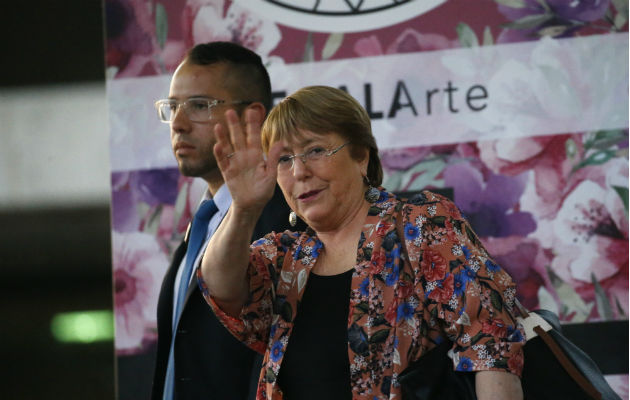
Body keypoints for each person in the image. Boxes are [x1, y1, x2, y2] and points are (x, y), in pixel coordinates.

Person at [198, 85, 526, 399]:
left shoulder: (420, 225)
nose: (299, 171)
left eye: (315, 150)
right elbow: (220, 287)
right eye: (284, 159)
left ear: (361, 156)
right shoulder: (284, 258)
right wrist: (242, 210)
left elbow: (491, 344)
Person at [151, 42, 302, 400]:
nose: (179, 124)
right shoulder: (201, 222)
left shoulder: (288, 222)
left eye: (199, 106)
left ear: (254, 115)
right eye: (173, 107)